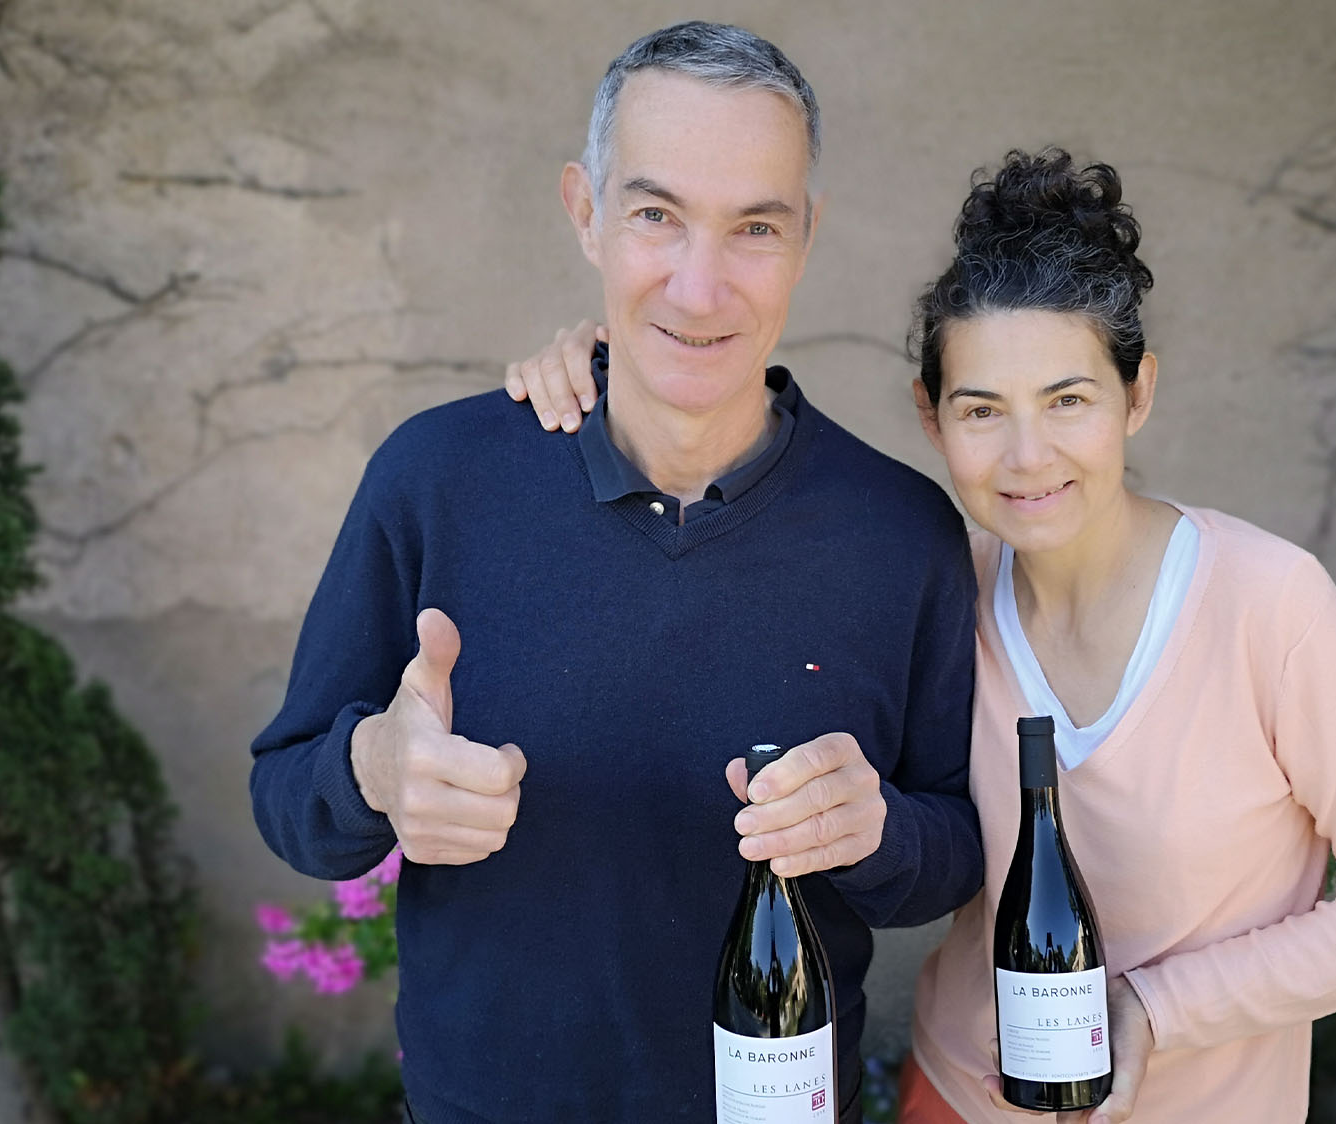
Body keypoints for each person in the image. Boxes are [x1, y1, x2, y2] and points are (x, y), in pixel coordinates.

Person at [509, 149, 1336, 1123]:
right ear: (930, 417)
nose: (1027, 456)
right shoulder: (942, 585)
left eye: (1068, 400)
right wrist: (611, 369)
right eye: (982, 410)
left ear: (1137, 393)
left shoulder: (1269, 605)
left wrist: (1156, 1007)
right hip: (955, 1096)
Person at [248, 22, 983, 1124]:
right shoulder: (436, 477)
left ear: (806, 237)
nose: (699, 285)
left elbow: (956, 845)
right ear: (584, 211)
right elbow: (285, 791)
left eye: (754, 227)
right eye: (655, 215)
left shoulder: (900, 531)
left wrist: (876, 830)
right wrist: (372, 770)